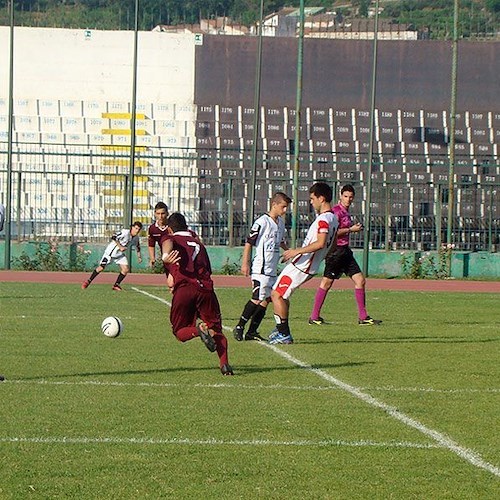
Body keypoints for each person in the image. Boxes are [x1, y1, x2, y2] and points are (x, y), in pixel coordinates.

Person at [161, 212, 233, 376]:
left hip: (185, 289)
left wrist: (165, 256)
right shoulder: (198, 243)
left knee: (179, 332)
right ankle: (225, 366)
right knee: (216, 330)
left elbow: (167, 242)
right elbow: (208, 270)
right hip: (206, 290)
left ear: (171, 229)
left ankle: (197, 331)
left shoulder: (172, 239)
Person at [268, 182, 339, 345]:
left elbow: (321, 243)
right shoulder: (333, 218)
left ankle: (283, 333)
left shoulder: (323, 219)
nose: (311, 202)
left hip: (302, 265)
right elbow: (333, 244)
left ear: (321, 198)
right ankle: (281, 329)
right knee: (282, 295)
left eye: (313, 198)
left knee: (276, 294)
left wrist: (296, 251)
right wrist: (321, 257)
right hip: (308, 265)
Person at [309, 184, 382, 326]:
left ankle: (363, 317)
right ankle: (314, 316)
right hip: (336, 252)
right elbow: (332, 232)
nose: (348, 199)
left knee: (360, 280)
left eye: (351, 197)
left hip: (345, 251)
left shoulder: (345, 211)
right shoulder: (335, 212)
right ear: (340, 197)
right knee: (326, 282)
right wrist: (350, 229)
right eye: (345, 196)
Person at [233, 192, 292, 342]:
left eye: (287, 207)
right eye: (283, 207)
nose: (285, 210)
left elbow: (280, 241)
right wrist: (245, 262)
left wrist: (290, 252)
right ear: (274, 204)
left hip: (272, 270)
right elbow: (249, 242)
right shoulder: (262, 222)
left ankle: (252, 331)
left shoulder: (280, 223)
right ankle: (239, 326)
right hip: (261, 269)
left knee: (266, 300)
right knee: (256, 299)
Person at [81, 221, 143, 291]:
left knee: (125, 269)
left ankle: (116, 285)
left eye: (138, 229)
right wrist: (120, 247)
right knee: (101, 268)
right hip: (111, 253)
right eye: (136, 228)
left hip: (119, 255)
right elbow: (114, 237)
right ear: (132, 227)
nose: (137, 231)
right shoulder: (125, 232)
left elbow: (138, 246)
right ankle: (88, 281)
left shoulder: (136, 238)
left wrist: (139, 257)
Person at [148, 202, 169, 268]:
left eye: (163, 213)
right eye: (158, 214)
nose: (160, 216)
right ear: (155, 214)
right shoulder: (152, 228)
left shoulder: (172, 225)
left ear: (167, 213)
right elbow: (151, 244)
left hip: (177, 256)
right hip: (165, 257)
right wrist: (152, 258)